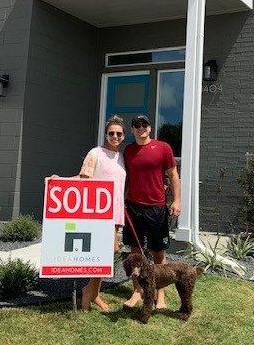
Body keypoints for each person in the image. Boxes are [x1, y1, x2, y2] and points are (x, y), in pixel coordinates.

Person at [123, 114, 181, 310]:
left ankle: (160, 294)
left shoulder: (163, 148)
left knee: (158, 253)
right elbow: (125, 178)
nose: (141, 128)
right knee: (135, 254)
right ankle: (137, 292)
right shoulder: (128, 151)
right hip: (133, 207)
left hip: (156, 208)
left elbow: (173, 175)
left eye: (144, 124)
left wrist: (177, 201)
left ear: (150, 128)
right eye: (136, 125)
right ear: (132, 130)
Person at [77, 115, 126, 312]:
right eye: (111, 133)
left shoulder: (121, 157)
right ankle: (89, 292)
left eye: (119, 133)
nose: (115, 136)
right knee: (107, 251)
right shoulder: (95, 153)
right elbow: (83, 179)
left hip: (115, 212)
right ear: (106, 134)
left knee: (106, 253)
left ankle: (93, 292)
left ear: (123, 137)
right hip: (98, 212)